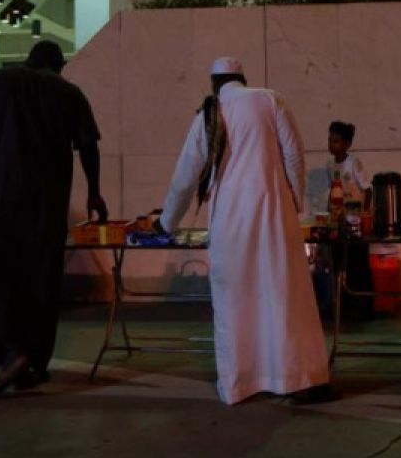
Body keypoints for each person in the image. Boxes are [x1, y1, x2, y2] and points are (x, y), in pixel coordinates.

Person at [157, 57, 334, 405]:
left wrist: (167, 222)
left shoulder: (209, 113)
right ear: (242, 77)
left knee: (235, 300)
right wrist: (295, 202)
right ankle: (293, 378)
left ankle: (241, 384)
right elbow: (294, 155)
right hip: (274, 215)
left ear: (215, 84)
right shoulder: (269, 99)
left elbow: (185, 174)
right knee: (282, 295)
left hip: (229, 223)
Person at [0, 40, 107, 398]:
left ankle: (6, 352)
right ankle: (27, 357)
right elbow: (89, 146)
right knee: (40, 278)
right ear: (58, 65)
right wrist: (94, 192)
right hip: (45, 204)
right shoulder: (68, 92)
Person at [326, 120, 373, 320]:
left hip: (355, 220)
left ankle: (363, 308)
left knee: (358, 263)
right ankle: (343, 306)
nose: (331, 144)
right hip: (339, 219)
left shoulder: (354, 162)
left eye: (336, 141)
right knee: (339, 263)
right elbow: (334, 190)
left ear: (347, 144)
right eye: (329, 140)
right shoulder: (330, 165)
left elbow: (367, 189)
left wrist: (364, 213)